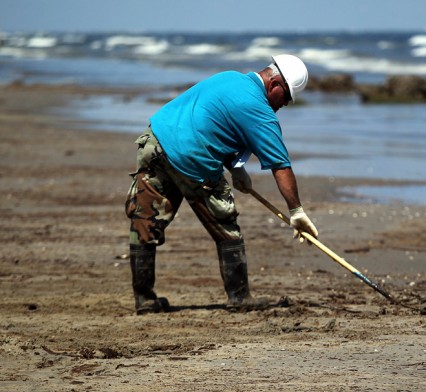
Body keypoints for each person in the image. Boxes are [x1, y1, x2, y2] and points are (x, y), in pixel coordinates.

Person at [125, 54, 319, 315]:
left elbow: (210, 122)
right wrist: (296, 211)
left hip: (156, 140)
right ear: (275, 85)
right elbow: (280, 165)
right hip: (193, 157)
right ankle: (239, 297)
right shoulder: (260, 110)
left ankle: (144, 300)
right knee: (226, 228)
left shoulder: (229, 78)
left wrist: (235, 167)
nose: (283, 106)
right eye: (285, 99)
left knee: (145, 220)